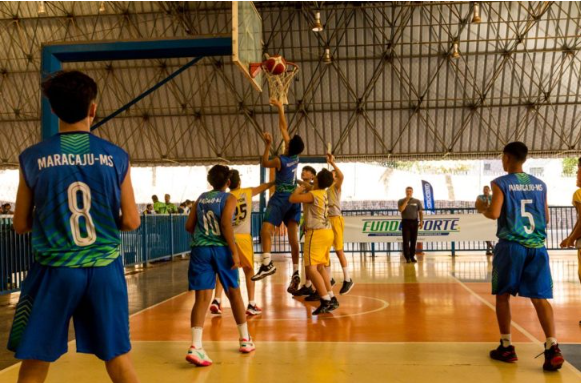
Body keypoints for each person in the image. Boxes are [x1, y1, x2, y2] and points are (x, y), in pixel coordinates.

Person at [7, 70, 141, 383]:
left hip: (54, 269)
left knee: (36, 359)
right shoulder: (116, 156)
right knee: (118, 360)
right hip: (105, 269)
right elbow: (132, 220)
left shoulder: (32, 157)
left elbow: (20, 224)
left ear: (52, 110)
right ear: (93, 108)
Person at [478, 141, 564, 371]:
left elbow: (494, 212)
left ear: (506, 157)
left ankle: (506, 346)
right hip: (537, 247)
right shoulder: (540, 184)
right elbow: (545, 218)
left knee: (503, 295)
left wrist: (481, 207)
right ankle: (552, 346)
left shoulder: (500, 183)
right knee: (539, 297)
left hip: (512, 246)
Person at [185, 165, 255, 367]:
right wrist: (234, 252)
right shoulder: (229, 198)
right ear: (229, 182)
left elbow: (189, 226)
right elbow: (225, 225)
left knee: (202, 298)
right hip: (221, 249)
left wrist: (204, 235)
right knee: (234, 293)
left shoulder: (200, 198)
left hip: (200, 250)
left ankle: (196, 346)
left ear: (211, 181)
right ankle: (244, 339)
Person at [252, 100, 304, 284]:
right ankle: (296, 271)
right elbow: (283, 127)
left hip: (281, 197)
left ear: (288, 147)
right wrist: (281, 108)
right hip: (294, 199)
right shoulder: (296, 157)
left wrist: (267, 144)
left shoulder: (280, 160)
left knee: (266, 229)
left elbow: (265, 163)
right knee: (293, 239)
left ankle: (267, 263)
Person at [210, 170, 274, 316]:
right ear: (239, 183)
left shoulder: (225, 197)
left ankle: (217, 300)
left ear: (228, 183)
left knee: (224, 269)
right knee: (249, 270)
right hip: (243, 237)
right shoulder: (247, 192)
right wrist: (273, 182)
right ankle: (251, 303)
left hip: (227, 236)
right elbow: (263, 187)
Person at [289, 168, 337, 315]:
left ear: (316, 181)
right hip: (327, 233)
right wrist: (300, 181)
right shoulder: (323, 192)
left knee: (311, 269)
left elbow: (292, 198)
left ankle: (325, 300)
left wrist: (299, 188)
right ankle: (331, 296)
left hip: (316, 233)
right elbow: (311, 187)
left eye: (314, 179)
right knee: (321, 268)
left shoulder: (313, 194)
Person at [326, 154, 354, 295]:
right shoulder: (325, 189)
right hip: (326, 220)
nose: (333, 176)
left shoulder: (336, 186)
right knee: (325, 251)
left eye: (334, 175)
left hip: (336, 219)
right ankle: (329, 278)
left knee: (338, 250)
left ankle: (348, 279)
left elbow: (342, 176)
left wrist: (332, 163)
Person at [559, 156, 581, 324]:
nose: (576, 174)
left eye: (577, 170)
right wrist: (571, 236)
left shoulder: (579, 193)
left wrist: (571, 238)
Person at [397, 187, 424, 263]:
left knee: (413, 240)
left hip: (414, 222)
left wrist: (421, 221)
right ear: (405, 192)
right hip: (406, 222)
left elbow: (420, 212)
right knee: (406, 240)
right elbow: (401, 210)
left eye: (410, 191)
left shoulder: (417, 201)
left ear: (412, 192)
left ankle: (412, 256)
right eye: (407, 191)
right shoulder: (401, 201)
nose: (409, 192)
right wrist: (407, 200)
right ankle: (407, 257)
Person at [476, 185, 495, 255]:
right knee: (483, 233)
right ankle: (492, 247)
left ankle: (488, 249)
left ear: (489, 190)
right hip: (482, 217)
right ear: (483, 190)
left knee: (489, 233)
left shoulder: (492, 197)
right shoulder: (480, 197)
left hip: (490, 217)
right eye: (484, 189)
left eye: (487, 189)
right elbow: (479, 206)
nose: (486, 190)